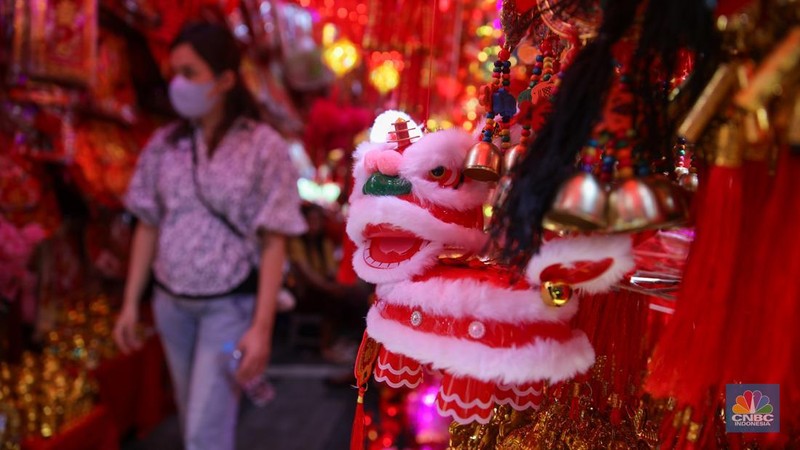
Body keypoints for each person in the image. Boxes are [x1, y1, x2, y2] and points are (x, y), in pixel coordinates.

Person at [112, 22, 306, 450]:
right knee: (192, 419)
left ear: (225, 80)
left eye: (190, 72)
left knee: (205, 431)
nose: (177, 84)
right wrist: (130, 303)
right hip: (170, 305)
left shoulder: (263, 146)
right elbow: (147, 222)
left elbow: (276, 238)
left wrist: (262, 327)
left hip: (229, 307)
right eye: (174, 72)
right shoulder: (164, 144)